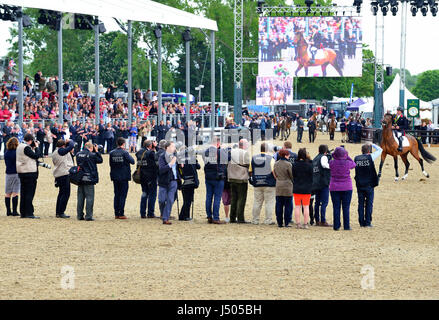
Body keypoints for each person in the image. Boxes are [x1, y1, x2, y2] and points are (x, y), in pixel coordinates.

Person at [354, 143, 382, 228]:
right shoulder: (371, 157)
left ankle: (361, 222)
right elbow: (380, 150)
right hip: (369, 184)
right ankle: (368, 222)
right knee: (369, 204)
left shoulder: (356, 158)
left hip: (359, 184)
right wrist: (373, 144)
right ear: (369, 151)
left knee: (360, 204)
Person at [329, 147, 356, 231]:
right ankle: (346, 226)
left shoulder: (332, 163)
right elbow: (354, 164)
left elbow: (330, 161)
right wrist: (347, 156)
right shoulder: (347, 163)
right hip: (346, 186)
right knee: (346, 207)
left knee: (336, 207)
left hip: (334, 187)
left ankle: (336, 226)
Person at [16, 133, 42, 219]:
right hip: (29, 172)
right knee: (29, 193)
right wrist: (37, 147)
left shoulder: (20, 146)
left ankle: (23, 212)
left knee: (23, 193)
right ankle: (29, 212)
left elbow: (27, 156)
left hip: (22, 172)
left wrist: (33, 148)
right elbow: (36, 156)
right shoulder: (26, 147)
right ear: (30, 140)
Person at [202, 136, 227, 224]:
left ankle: (209, 216)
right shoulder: (219, 151)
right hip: (218, 177)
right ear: (218, 143)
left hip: (208, 177)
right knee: (217, 198)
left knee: (208, 196)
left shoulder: (205, 152)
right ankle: (216, 217)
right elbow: (225, 161)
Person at [249, 143, 276, 225]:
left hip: (257, 183)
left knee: (257, 202)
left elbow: (250, 171)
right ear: (267, 150)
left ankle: (255, 220)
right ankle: (268, 220)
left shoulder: (254, 158)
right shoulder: (271, 159)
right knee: (269, 203)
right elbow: (273, 171)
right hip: (269, 183)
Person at [76, 141, 103, 221]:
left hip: (80, 177)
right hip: (89, 178)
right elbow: (100, 160)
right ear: (91, 148)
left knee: (80, 197)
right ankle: (88, 216)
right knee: (89, 197)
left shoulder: (78, 154)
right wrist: (97, 151)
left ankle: (79, 215)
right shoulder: (92, 155)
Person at [109, 137, 135, 219]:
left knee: (116, 194)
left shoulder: (112, 152)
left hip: (115, 175)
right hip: (123, 176)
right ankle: (121, 213)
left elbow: (111, 164)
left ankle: (116, 213)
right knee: (122, 195)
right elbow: (133, 161)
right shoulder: (125, 153)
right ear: (123, 144)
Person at [227, 139, 250, 224]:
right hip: (241, 178)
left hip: (232, 177)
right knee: (241, 199)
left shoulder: (231, 152)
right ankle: (240, 218)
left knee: (234, 198)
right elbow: (248, 165)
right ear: (243, 145)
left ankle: (232, 218)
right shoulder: (245, 153)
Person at [51, 139, 75, 218]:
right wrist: (70, 141)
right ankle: (61, 212)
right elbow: (71, 146)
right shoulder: (60, 151)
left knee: (61, 193)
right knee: (66, 194)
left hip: (58, 174)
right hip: (63, 174)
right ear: (63, 146)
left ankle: (58, 211)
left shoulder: (55, 152)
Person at [158, 141, 179, 225]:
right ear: (167, 148)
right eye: (173, 147)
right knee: (161, 200)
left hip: (173, 180)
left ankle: (165, 218)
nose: (174, 148)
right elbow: (161, 169)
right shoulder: (162, 157)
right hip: (164, 181)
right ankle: (163, 214)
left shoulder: (175, 156)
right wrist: (170, 164)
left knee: (170, 200)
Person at [136, 140, 158, 219]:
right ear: (150, 146)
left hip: (142, 176)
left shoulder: (138, 152)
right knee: (152, 194)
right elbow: (158, 157)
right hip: (151, 177)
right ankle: (150, 213)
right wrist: (156, 147)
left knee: (144, 193)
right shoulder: (150, 153)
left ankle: (142, 213)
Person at [292, 148, 313, 229]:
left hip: (297, 187)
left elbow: (293, 175)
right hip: (307, 188)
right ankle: (305, 224)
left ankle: (298, 223)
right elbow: (312, 176)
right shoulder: (309, 164)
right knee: (306, 206)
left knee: (297, 206)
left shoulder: (294, 164)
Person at [312, 145, 332, 227]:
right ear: (325, 151)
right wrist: (332, 166)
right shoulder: (323, 157)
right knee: (324, 202)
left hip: (316, 182)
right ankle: (323, 220)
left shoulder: (315, 158)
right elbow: (325, 165)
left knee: (317, 202)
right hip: (323, 182)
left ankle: (317, 220)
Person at [178, 147, 200, 221]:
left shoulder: (180, 160)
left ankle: (183, 215)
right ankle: (184, 216)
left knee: (186, 200)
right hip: (191, 181)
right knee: (188, 200)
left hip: (184, 180)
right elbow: (198, 166)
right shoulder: (192, 159)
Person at [273, 149, 293, 228]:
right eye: (288, 155)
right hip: (287, 185)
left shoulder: (276, 163)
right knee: (288, 205)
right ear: (285, 155)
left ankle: (279, 222)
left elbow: (275, 173)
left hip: (278, 185)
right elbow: (291, 175)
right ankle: (287, 222)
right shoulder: (288, 164)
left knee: (279, 204)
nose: (289, 156)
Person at [4, 137, 20, 216]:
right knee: (15, 193)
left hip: (8, 173)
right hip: (16, 173)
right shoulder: (17, 153)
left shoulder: (6, 152)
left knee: (7, 193)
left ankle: (8, 211)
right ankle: (14, 211)